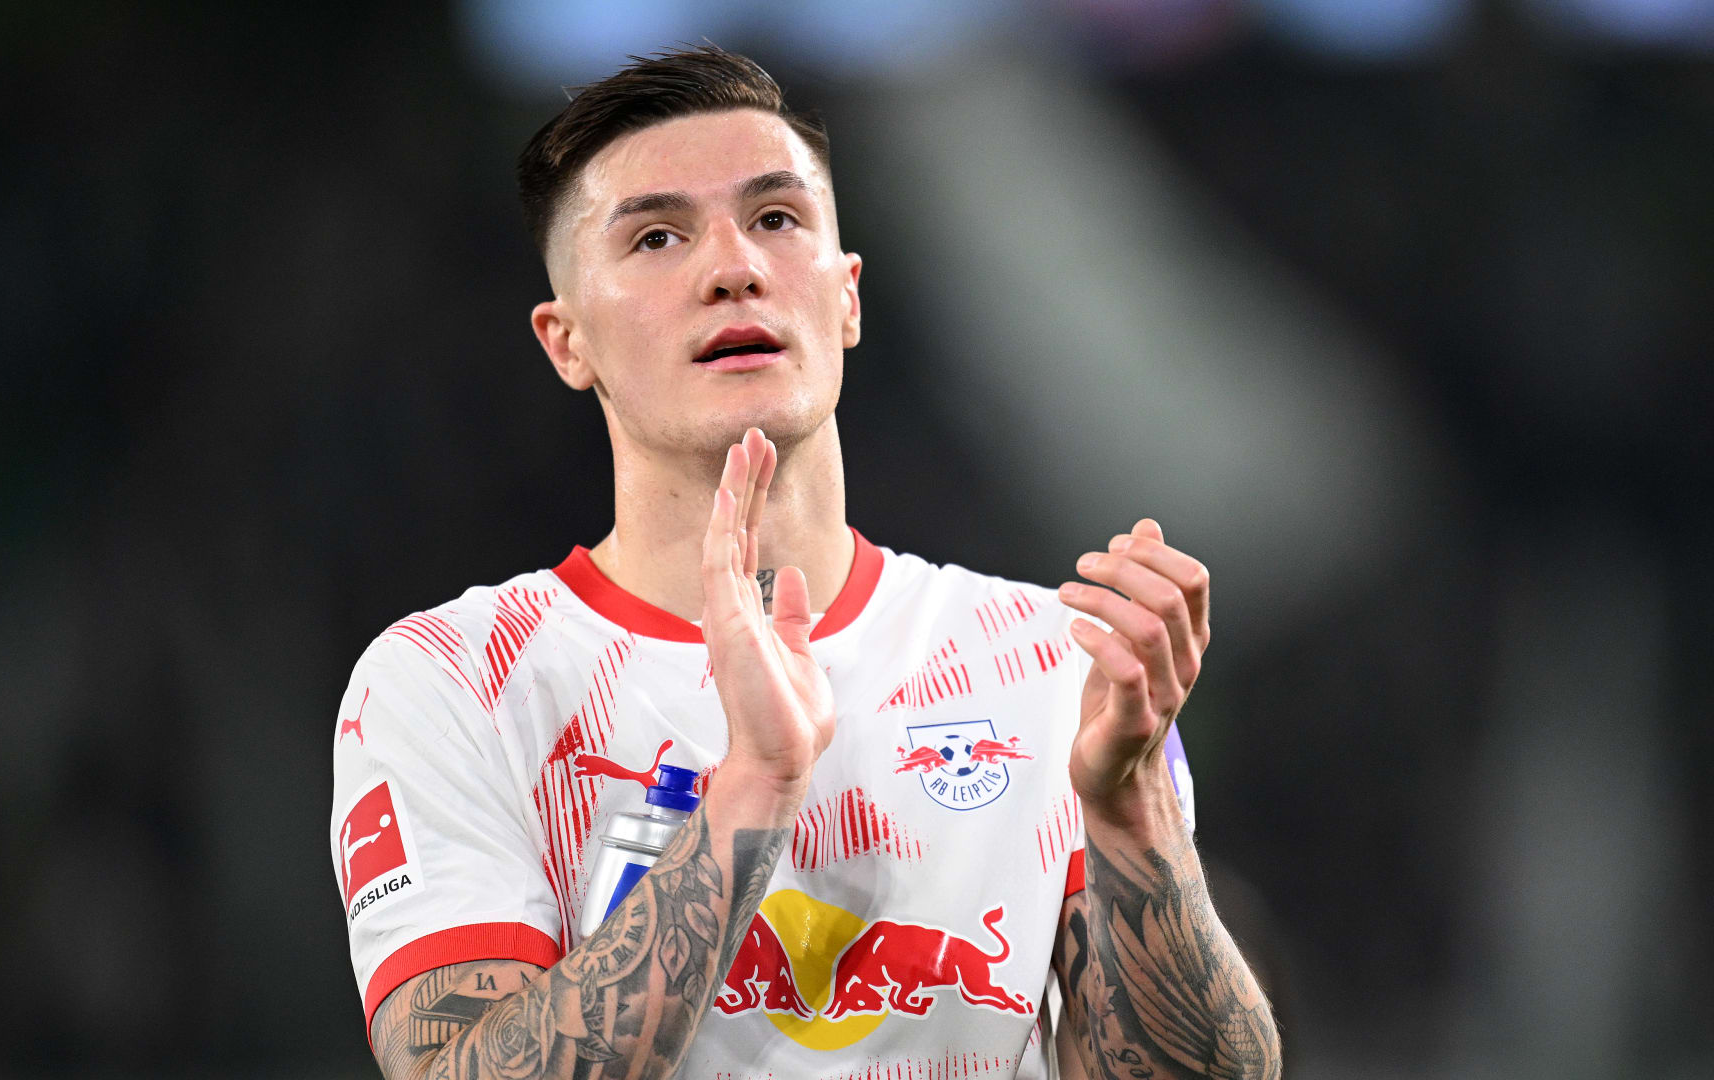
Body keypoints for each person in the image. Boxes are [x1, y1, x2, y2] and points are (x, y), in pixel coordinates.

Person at [329, 46, 1281, 1080]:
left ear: (848, 298)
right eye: (656, 237)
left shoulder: (1049, 664)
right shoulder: (452, 683)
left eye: (776, 218)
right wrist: (753, 790)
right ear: (568, 343)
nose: (733, 267)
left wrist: (1132, 812)